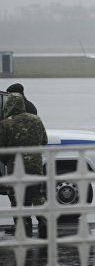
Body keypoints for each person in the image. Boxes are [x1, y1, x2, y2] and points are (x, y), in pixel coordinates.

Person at [0, 93, 48, 238]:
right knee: (38, 195)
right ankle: (44, 221)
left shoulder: (5, 124)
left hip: (16, 167)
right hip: (35, 165)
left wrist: (7, 159)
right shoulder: (36, 120)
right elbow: (44, 140)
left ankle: (24, 229)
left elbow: (1, 147)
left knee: (18, 198)